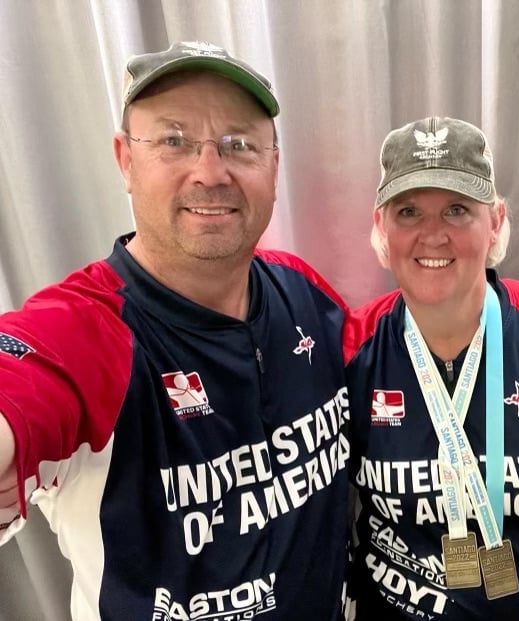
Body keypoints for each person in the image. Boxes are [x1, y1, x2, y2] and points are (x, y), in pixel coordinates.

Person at [0, 41, 350, 620]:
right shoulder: (87, 329)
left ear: (273, 165)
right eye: (173, 140)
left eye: (239, 144)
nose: (210, 172)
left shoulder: (303, 291)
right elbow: (23, 377)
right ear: (124, 160)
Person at [344, 116, 519, 620]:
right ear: (381, 227)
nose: (432, 235)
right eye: (409, 211)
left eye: (457, 210)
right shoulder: (353, 343)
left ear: (495, 221)